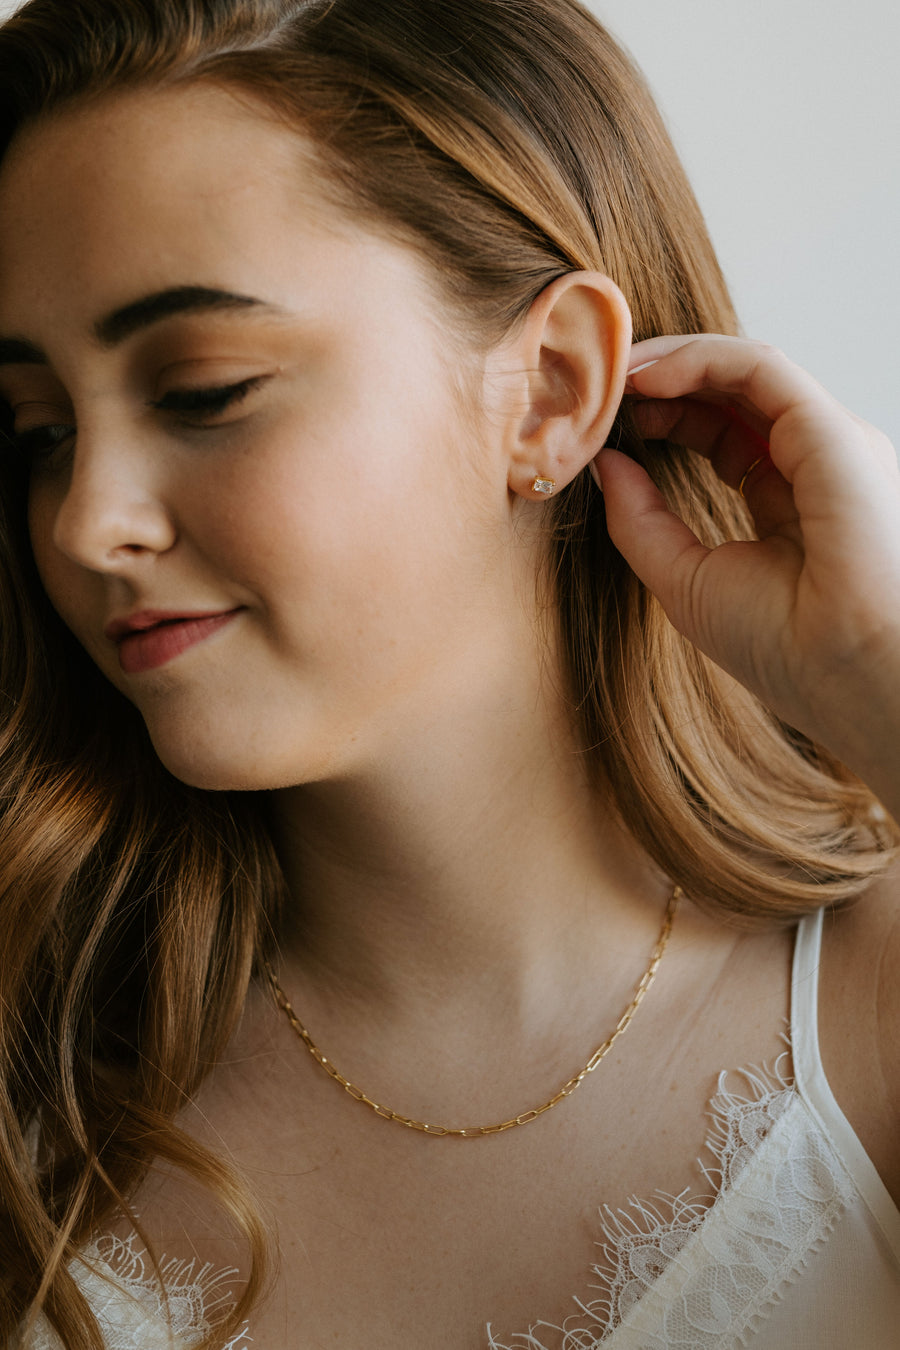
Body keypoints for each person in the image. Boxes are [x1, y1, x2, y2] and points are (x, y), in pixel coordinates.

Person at [0, 0, 898, 1346]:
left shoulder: (873, 1007)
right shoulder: (36, 1081)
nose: (87, 520)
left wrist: (879, 675)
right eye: (41, 429)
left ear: (546, 389)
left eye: (205, 388)